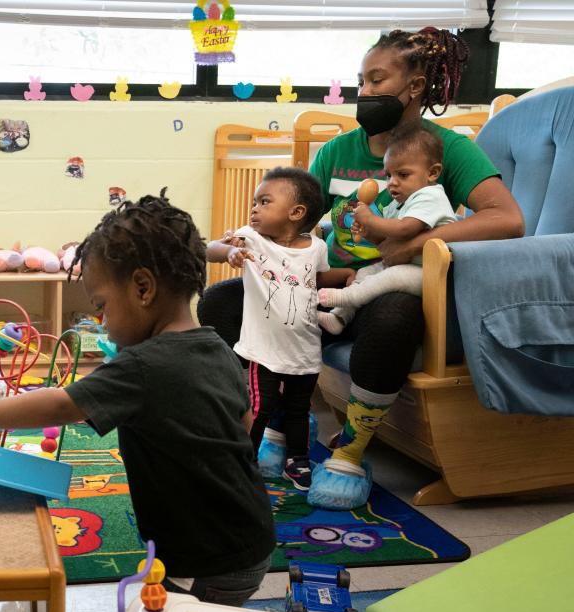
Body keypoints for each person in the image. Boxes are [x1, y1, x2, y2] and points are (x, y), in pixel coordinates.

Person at [198, 27, 523, 511]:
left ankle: (351, 450)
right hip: (320, 288)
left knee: (394, 311)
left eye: (377, 80)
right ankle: (286, 422)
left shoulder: (445, 148)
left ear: (414, 87)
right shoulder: (337, 150)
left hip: (387, 291)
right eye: (361, 81)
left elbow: (507, 219)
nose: (364, 93)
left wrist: (415, 240)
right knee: (220, 303)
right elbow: (304, 225)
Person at [0, 190, 276, 607]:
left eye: (101, 306)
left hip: (206, 558)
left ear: (142, 288)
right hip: (251, 533)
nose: (100, 321)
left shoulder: (141, 367)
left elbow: (62, 403)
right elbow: (244, 424)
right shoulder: (216, 347)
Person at [207, 168, 353, 490]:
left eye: (264, 201)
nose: (254, 208)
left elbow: (316, 279)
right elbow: (210, 249)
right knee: (259, 407)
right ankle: (243, 463)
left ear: (296, 212)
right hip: (263, 349)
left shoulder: (316, 248)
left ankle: (297, 459)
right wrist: (230, 251)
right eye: (255, 202)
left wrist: (347, 275)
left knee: (300, 409)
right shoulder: (253, 239)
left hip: (304, 347)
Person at [317, 122, 456, 335]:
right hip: (408, 266)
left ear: (432, 173)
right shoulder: (396, 204)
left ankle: (347, 297)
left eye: (403, 175)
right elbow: (386, 243)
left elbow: (404, 229)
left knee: (391, 277)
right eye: (389, 175)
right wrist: (368, 232)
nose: (392, 183)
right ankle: (339, 316)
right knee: (366, 271)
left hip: (433, 275)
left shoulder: (431, 196)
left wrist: (370, 219)